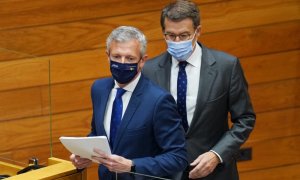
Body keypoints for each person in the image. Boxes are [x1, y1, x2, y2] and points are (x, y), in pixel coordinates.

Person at [143, 1, 256, 180]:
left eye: (184, 35)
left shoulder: (226, 66)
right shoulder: (148, 70)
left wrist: (216, 154)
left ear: (198, 31)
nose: (177, 41)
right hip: (165, 172)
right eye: (170, 35)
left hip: (215, 172)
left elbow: (245, 119)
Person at [70, 26, 188, 179]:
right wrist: (84, 154)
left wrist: (132, 165)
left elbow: (178, 157)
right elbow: (98, 133)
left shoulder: (158, 100)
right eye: (116, 57)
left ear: (142, 61)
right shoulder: (99, 89)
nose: (122, 63)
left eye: (130, 58)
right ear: (107, 56)